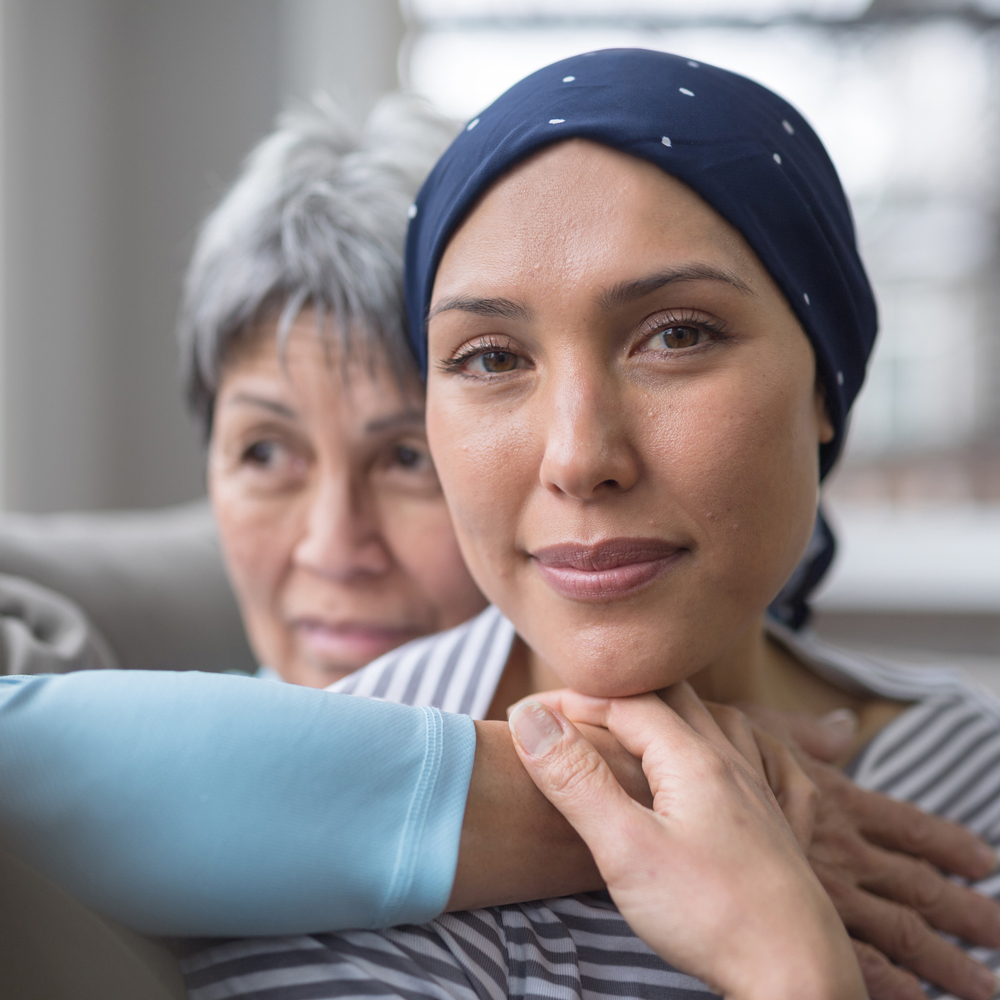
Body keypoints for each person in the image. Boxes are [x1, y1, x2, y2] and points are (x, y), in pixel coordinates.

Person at [1, 78, 998, 1000]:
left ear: (825, 385)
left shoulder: (968, 761)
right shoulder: (307, 868)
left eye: (677, 334)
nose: (575, 455)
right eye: (489, 357)